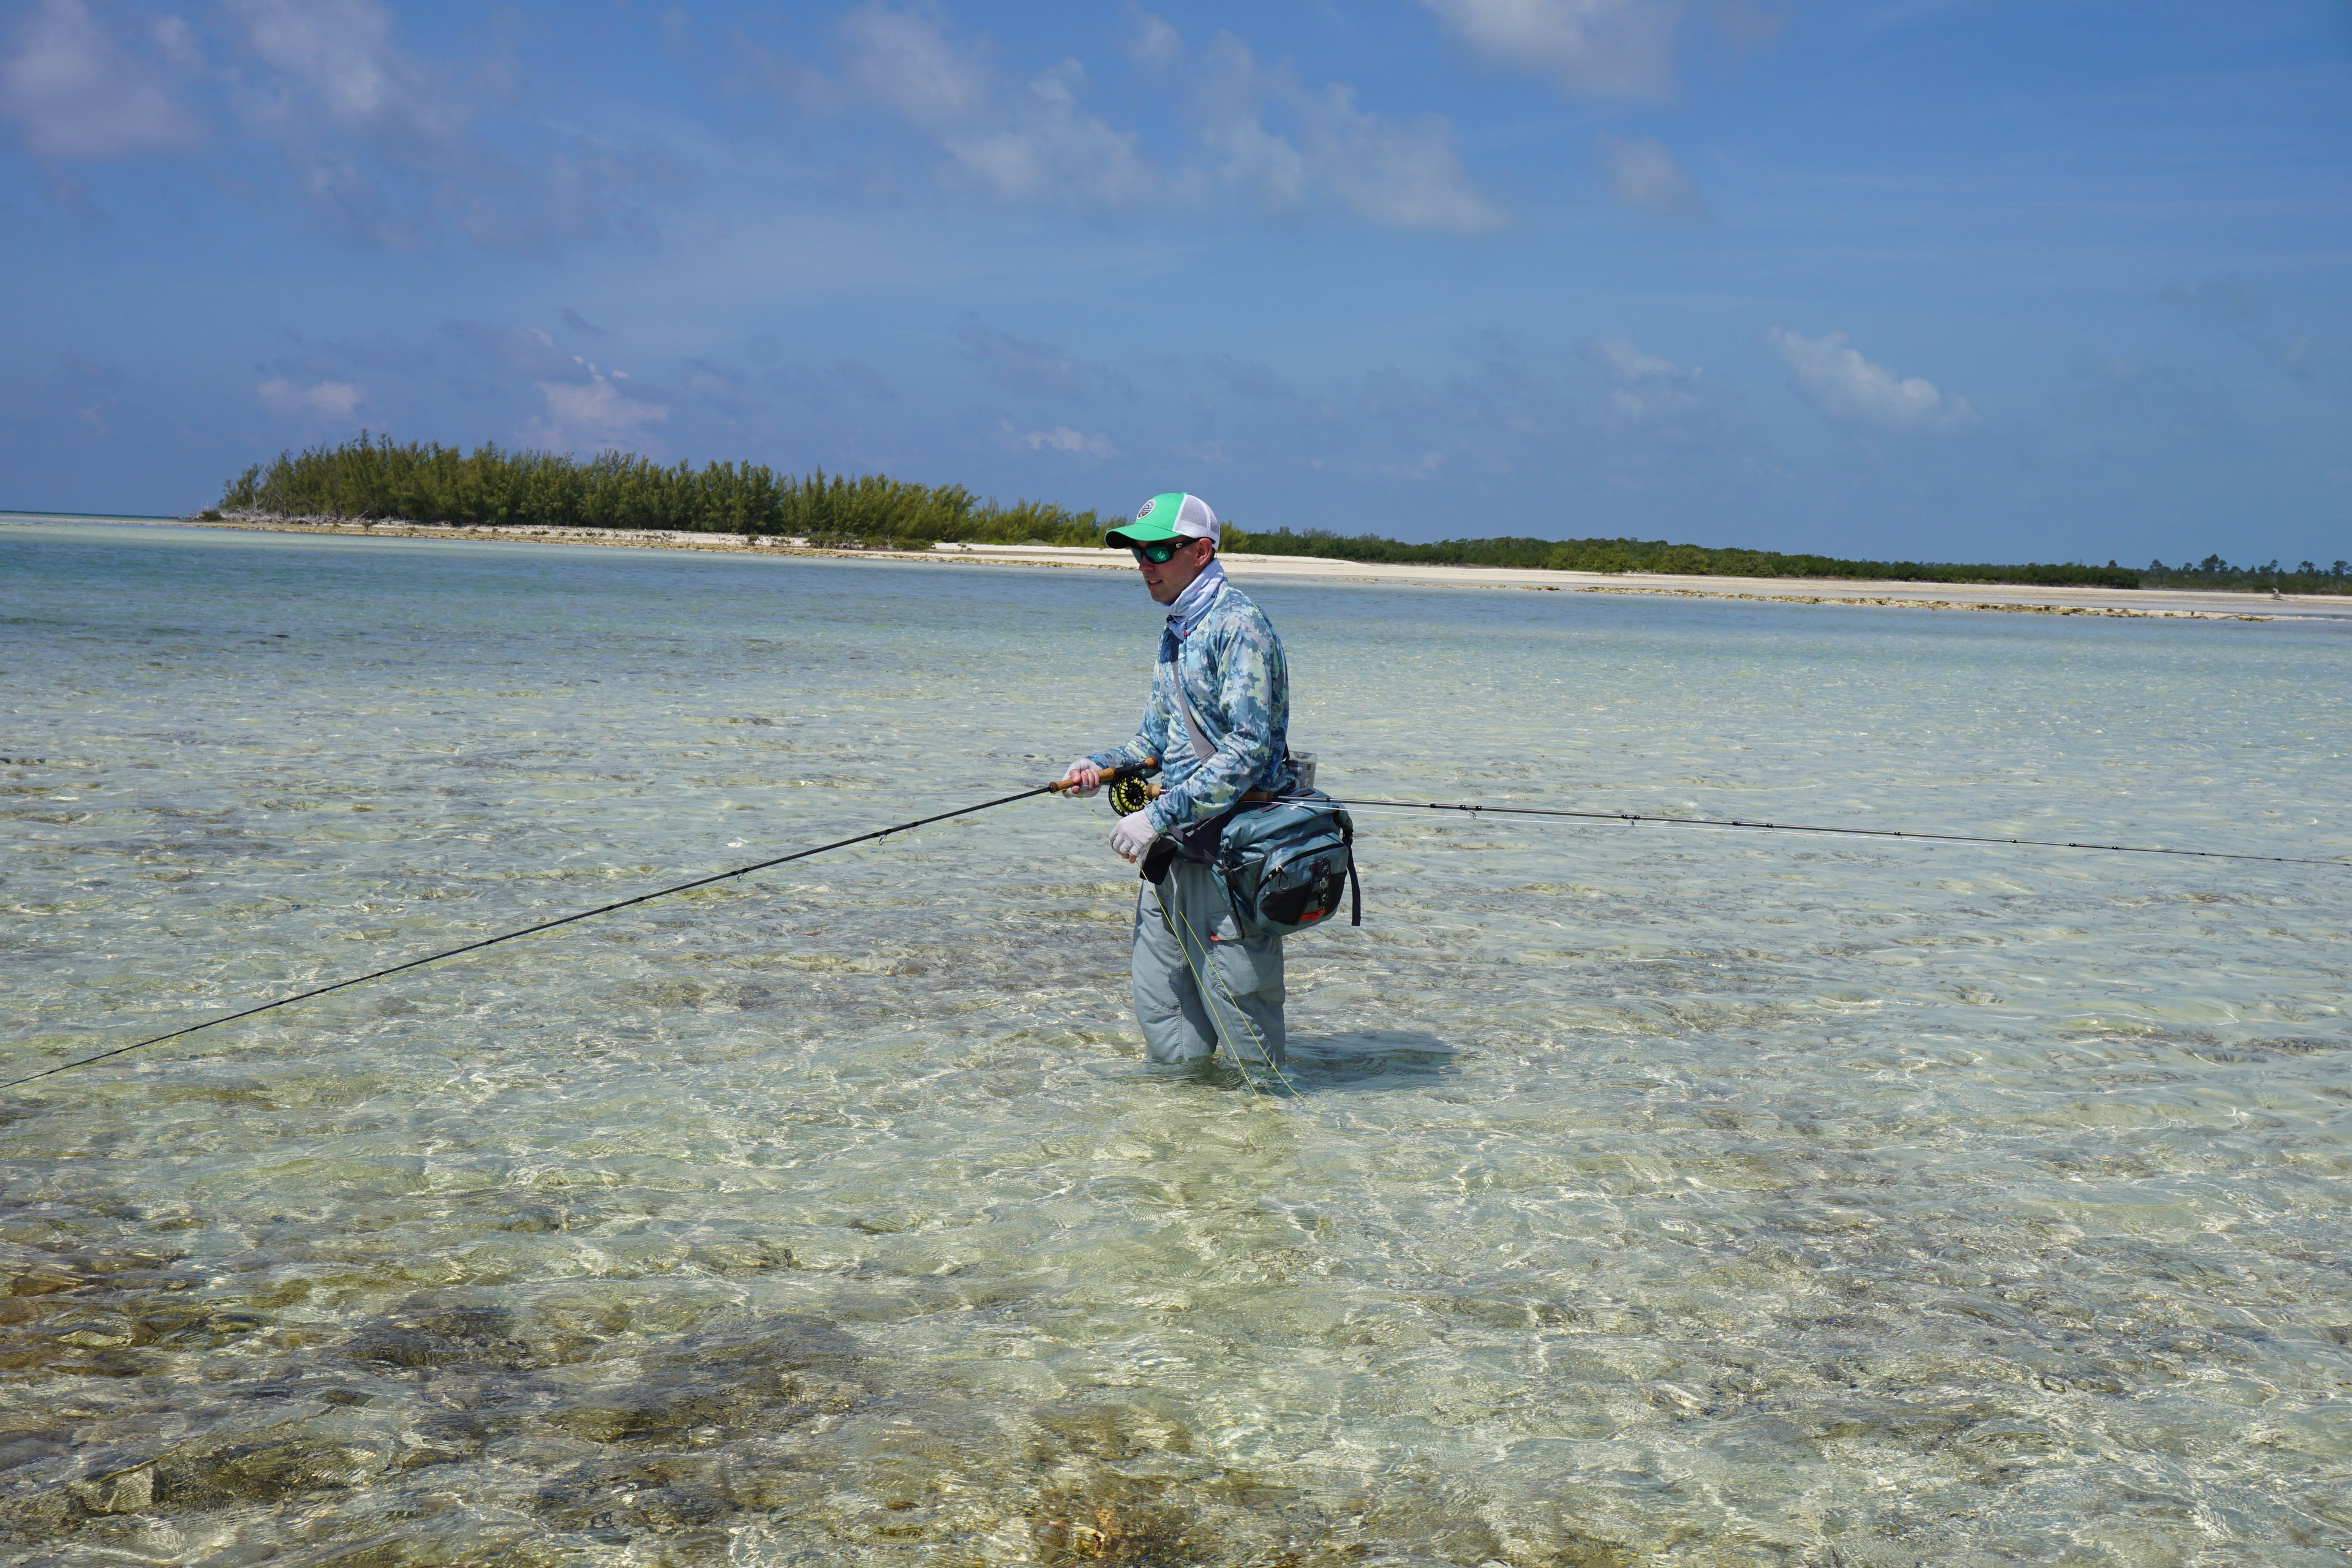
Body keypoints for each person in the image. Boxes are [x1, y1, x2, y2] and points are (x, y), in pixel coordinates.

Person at [1063, 492, 1296, 1071]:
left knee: (1247, 1026)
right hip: (1173, 852)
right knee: (1161, 1010)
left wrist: (1153, 817)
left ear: (1201, 551)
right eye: (1138, 552)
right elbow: (1152, 743)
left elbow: (1247, 752)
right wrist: (1097, 768)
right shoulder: (1177, 630)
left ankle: (1271, 1137)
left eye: (1160, 550)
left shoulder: (1238, 625)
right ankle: (1179, 1144)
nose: (1146, 563)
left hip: (1229, 856)